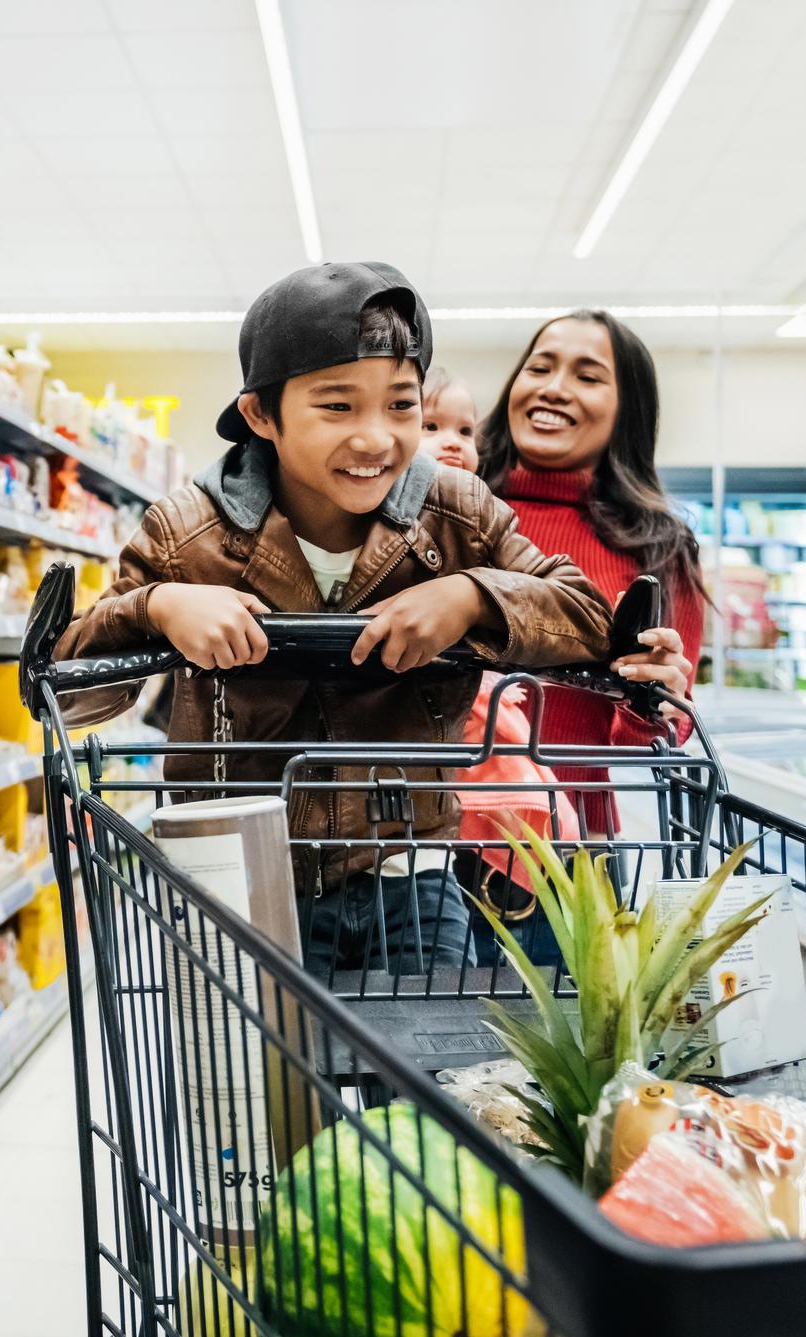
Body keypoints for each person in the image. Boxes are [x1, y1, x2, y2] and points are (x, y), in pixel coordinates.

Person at [54, 262, 613, 979]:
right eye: (338, 406)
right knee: (255, 1087)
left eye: (401, 405)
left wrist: (473, 596)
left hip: (412, 872)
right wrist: (157, 608)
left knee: (427, 1082)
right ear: (261, 415)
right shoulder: (187, 532)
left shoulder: (459, 516)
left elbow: (586, 614)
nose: (377, 438)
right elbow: (68, 693)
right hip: (243, 879)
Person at [478, 309, 705, 836]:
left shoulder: (658, 547)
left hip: (571, 848)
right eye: (539, 368)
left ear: (627, 410)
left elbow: (656, 740)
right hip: (429, 837)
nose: (554, 389)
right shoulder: (447, 504)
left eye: (587, 376)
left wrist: (656, 701)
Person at [420, 370, 582, 955]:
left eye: (465, 430)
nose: (454, 441)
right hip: (439, 785)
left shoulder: (483, 526)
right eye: (430, 426)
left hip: (498, 750)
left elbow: (553, 604)